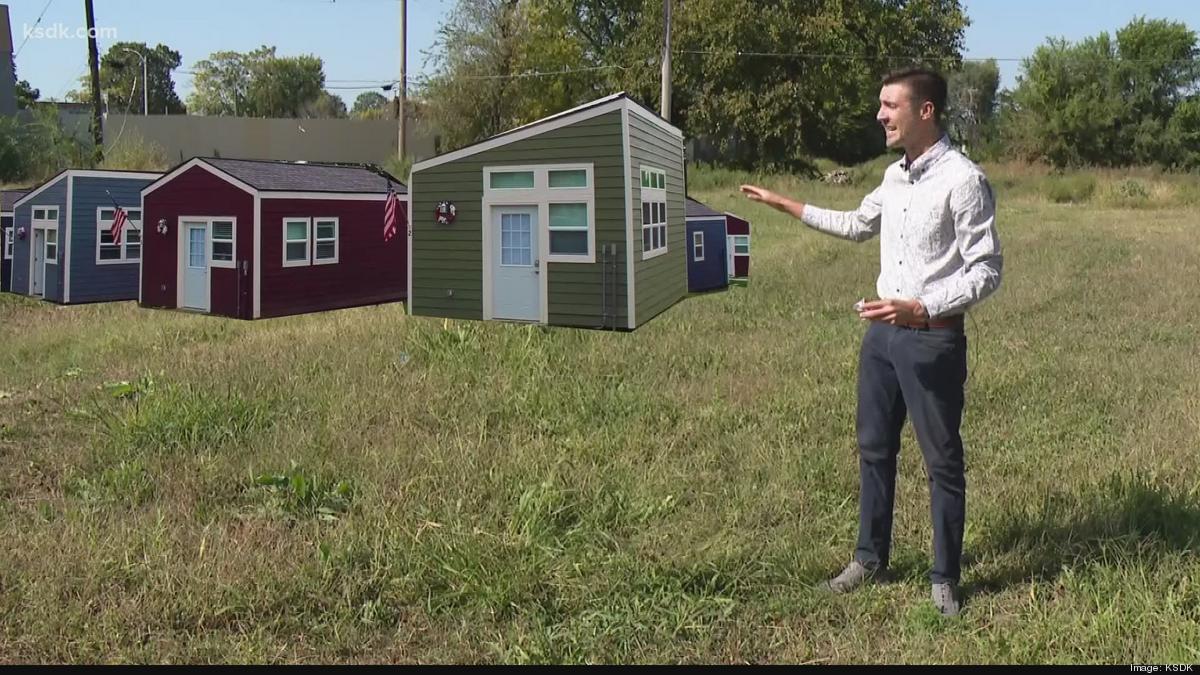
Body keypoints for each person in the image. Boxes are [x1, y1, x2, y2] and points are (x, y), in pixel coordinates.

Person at [740, 67, 1003, 616]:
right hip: (881, 339)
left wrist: (923, 305)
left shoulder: (964, 180)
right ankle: (869, 558)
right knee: (875, 450)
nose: (880, 115)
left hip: (932, 341)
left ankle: (944, 577)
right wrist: (782, 203)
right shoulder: (893, 178)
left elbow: (986, 272)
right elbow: (858, 223)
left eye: (890, 105)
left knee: (942, 462)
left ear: (924, 111)